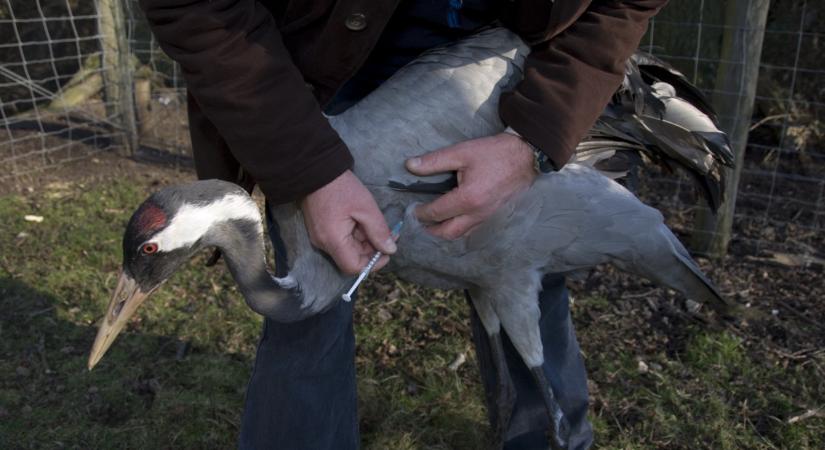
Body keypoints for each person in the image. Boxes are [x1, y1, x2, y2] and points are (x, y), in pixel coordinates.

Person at [139, 0, 667, 448]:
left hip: (499, 65)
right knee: (308, 307)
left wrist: (533, 137)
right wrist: (309, 173)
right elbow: (194, 7)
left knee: (525, 275)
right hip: (316, 70)